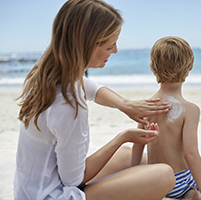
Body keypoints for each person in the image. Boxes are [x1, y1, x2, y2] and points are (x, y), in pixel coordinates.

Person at [14, 1, 176, 200]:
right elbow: (73, 179)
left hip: (30, 190)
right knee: (164, 175)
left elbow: (92, 88)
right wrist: (123, 136)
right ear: (87, 45)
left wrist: (126, 105)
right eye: (110, 46)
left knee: (127, 155)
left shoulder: (43, 74)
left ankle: (185, 174)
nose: (115, 51)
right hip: (55, 195)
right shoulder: (69, 106)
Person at [131, 36, 201, 200]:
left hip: (154, 179)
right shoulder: (190, 110)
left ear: (153, 69)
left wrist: (134, 177)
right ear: (188, 70)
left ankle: (188, 194)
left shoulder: (145, 106)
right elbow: (190, 154)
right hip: (178, 180)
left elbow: (137, 144)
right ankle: (197, 194)